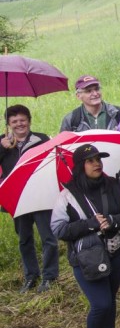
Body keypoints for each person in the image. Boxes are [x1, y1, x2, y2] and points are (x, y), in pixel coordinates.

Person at [49, 143, 120, 328]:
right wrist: (90, 224)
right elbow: (59, 229)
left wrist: (112, 221)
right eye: (90, 161)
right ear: (80, 166)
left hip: (116, 251)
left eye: (99, 159)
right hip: (86, 259)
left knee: (111, 299)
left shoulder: (115, 185)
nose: (97, 164)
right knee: (101, 304)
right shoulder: (68, 195)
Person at [60, 75, 120, 288]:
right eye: (88, 90)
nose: (94, 93)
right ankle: (101, 263)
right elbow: (67, 155)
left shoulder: (117, 114)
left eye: (96, 88)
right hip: (89, 185)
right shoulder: (71, 121)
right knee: (96, 223)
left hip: (119, 180)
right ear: (79, 96)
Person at [0, 105, 56, 293]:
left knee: (48, 237)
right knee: (24, 239)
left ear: (29, 121)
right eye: (14, 121)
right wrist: (2, 148)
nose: (19, 124)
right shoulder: (2, 142)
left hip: (40, 195)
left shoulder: (41, 139)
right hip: (17, 198)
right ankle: (31, 276)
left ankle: (50, 277)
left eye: (22, 120)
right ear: (8, 124)